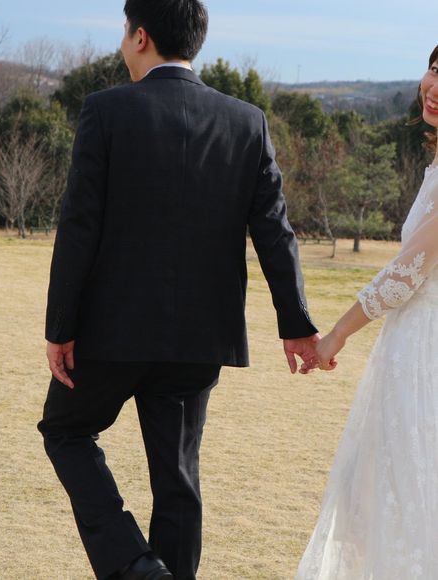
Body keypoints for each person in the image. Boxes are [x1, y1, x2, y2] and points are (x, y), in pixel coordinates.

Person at [37, 1, 319, 578]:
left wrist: (60, 326)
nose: (123, 44)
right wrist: (295, 323)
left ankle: (136, 565)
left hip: (110, 331)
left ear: (140, 36)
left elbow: (79, 226)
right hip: (199, 337)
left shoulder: (105, 110)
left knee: (65, 431)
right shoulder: (247, 121)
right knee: (178, 478)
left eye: (124, 33)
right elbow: (275, 230)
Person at [296, 45, 438, 580]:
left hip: (424, 353)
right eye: (435, 69)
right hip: (409, 344)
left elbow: (408, 272)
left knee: (409, 493)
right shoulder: (434, 167)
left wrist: (337, 334)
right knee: (384, 491)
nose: (434, 87)